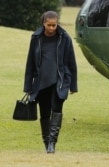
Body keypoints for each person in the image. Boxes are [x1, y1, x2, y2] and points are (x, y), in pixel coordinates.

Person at [23, 11, 78, 153]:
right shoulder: (36, 38)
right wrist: (28, 86)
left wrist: (73, 85)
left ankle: (52, 143)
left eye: (54, 25)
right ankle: (46, 142)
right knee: (45, 113)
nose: (52, 28)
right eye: (49, 25)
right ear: (43, 23)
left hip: (60, 81)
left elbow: (71, 62)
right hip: (41, 82)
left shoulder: (65, 38)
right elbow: (30, 62)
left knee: (57, 110)